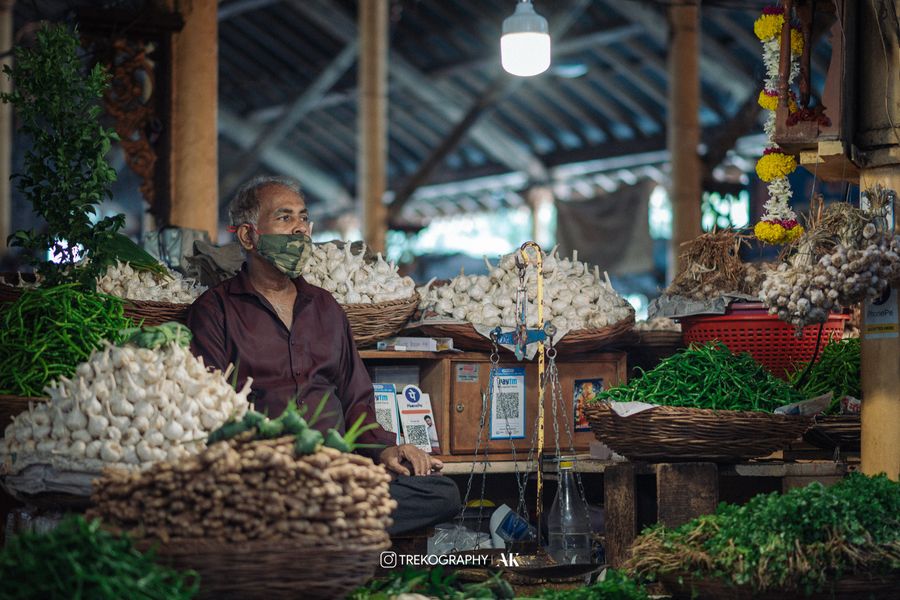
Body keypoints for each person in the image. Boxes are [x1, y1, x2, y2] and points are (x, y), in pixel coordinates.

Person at [187, 175, 460, 534]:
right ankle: (323, 519)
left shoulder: (325, 307)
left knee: (442, 493)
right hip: (265, 476)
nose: (300, 229)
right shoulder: (215, 310)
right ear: (248, 236)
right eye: (284, 218)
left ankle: (313, 521)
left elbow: (356, 399)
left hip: (338, 471)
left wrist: (385, 450)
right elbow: (209, 407)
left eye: (303, 218)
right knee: (234, 502)